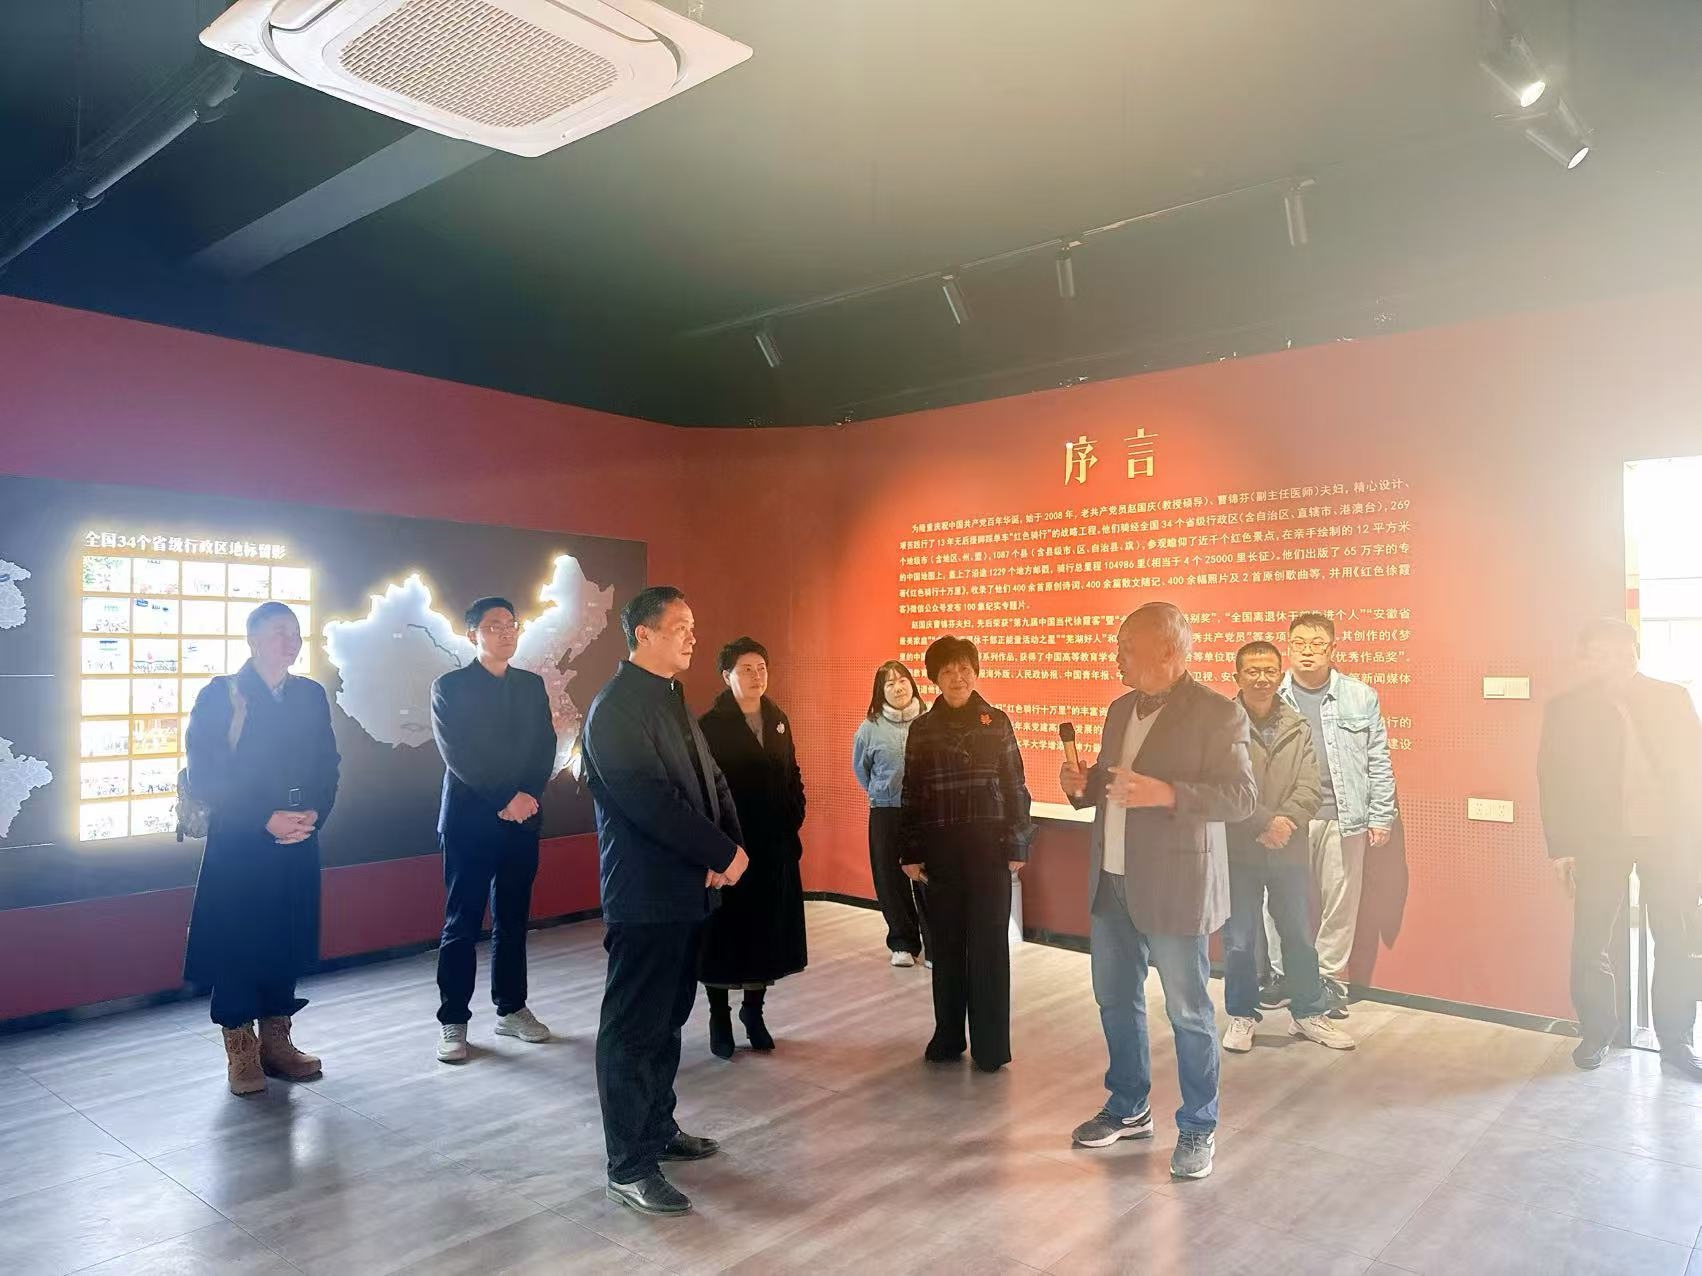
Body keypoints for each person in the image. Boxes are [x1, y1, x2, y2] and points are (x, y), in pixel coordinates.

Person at [1060, 602, 1254, 1181]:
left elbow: (1241, 797)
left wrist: (1168, 794)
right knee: (1115, 1000)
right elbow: (1114, 783)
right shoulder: (1120, 708)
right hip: (1112, 880)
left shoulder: (1219, 713)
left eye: (1127, 648)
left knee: (1189, 1012)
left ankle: (1198, 1124)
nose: (1116, 658)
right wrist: (1082, 785)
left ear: (1168, 651)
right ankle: (1129, 1106)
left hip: (1176, 885)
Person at [583, 585, 751, 1216]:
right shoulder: (616, 708)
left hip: (688, 891)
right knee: (632, 1028)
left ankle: (658, 1128)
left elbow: (711, 781)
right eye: (679, 626)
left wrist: (729, 848)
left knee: (669, 1018)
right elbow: (650, 802)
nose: (691, 636)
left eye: (692, 625)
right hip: (645, 895)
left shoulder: (670, 695)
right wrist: (718, 853)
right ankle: (628, 1165)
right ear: (643, 635)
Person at [184, 601, 340, 1096]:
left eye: (295, 633)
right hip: (240, 841)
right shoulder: (221, 695)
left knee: (287, 935)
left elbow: (328, 763)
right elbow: (207, 775)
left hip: (297, 836)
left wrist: (314, 813)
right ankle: (241, 1047)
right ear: (252, 640)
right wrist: (263, 818)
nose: (290, 642)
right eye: (278, 632)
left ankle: (277, 1040)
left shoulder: (310, 694)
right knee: (238, 939)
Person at [1538, 618, 1702, 1077]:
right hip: (1599, 841)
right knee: (1592, 939)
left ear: (1635, 650)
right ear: (1587, 658)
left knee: (1674, 938)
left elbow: (1696, 770)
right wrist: (1561, 846)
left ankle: (1676, 1039)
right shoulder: (1567, 708)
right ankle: (1597, 1032)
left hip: (1668, 840)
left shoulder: (1671, 698)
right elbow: (1553, 780)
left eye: (1618, 649)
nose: (1609, 659)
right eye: (1598, 652)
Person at [430, 596, 559, 1063]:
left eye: (511, 624)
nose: (506, 632)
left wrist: (526, 795)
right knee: (461, 923)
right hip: (469, 820)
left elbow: (545, 744)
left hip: (522, 818)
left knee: (513, 918)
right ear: (473, 635)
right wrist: (506, 797)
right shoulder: (450, 686)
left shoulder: (530, 685)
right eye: (494, 625)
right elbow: (459, 754)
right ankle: (453, 1020)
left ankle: (512, 1008)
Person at [899, 635, 1033, 1072]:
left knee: (990, 946)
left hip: (989, 849)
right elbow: (912, 792)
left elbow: (1015, 785)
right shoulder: (922, 728)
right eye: (948, 671)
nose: (957, 677)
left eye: (964, 669)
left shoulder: (996, 721)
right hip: (940, 849)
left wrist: (1018, 842)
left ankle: (991, 1046)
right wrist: (910, 851)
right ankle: (949, 1035)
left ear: (975, 672)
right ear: (935, 678)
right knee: (947, 944)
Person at [1261, 612, 1396, 1018]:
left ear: (1333, 648)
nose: (1307, 651)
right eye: (1299, 643)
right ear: (1288, 646)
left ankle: (1327, 978)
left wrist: (1381, 815)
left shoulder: (1360, 696)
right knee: (1277, 899)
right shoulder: (1270, 696)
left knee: (1340, 901)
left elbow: (1377, 758)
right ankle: (1284, 974)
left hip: (1343, 814)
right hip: (1286, 817)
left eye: (1317, 643)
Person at [1221, 641, 1353, 1054]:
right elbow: (1221, 786)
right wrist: (1263, 823)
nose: (1261, 678)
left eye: (1269, 671)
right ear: (1237, 676)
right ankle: (1242, 1014)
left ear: (1280, 675)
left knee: (1297, 934)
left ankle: (1308, 1013)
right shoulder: (1220, 725)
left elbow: (1311, 786)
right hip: (1239, 849)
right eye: (1252, 671)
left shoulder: (1297, 725)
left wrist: (1285, 823)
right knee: (1240, 938)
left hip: (1288, 848)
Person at [696, 637, 808, 1058]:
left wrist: (795, 812)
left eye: (761, 668)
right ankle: (719, 1016)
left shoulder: (777, 718)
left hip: (774, 845)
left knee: (765, 931)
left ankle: (754, 1012)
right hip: (730, 845)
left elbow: (792, 772)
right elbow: (703, 788)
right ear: (726, 675)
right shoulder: (709, 725)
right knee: (724, 932)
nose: (756, 675)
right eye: (746, 669)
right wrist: (716, 844)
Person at [852, 660, 931, 967]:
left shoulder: (929, 720)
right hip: (886, 811)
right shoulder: (869, 728)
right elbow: (862, 770)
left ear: (912, 684)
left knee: (928, 875)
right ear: (880, 691)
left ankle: (935, 945)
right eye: (889, 683)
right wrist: (882, 791)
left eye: (902, 681)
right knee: (889, 877)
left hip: (925, 811)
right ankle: (903, 943)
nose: (898, 688)